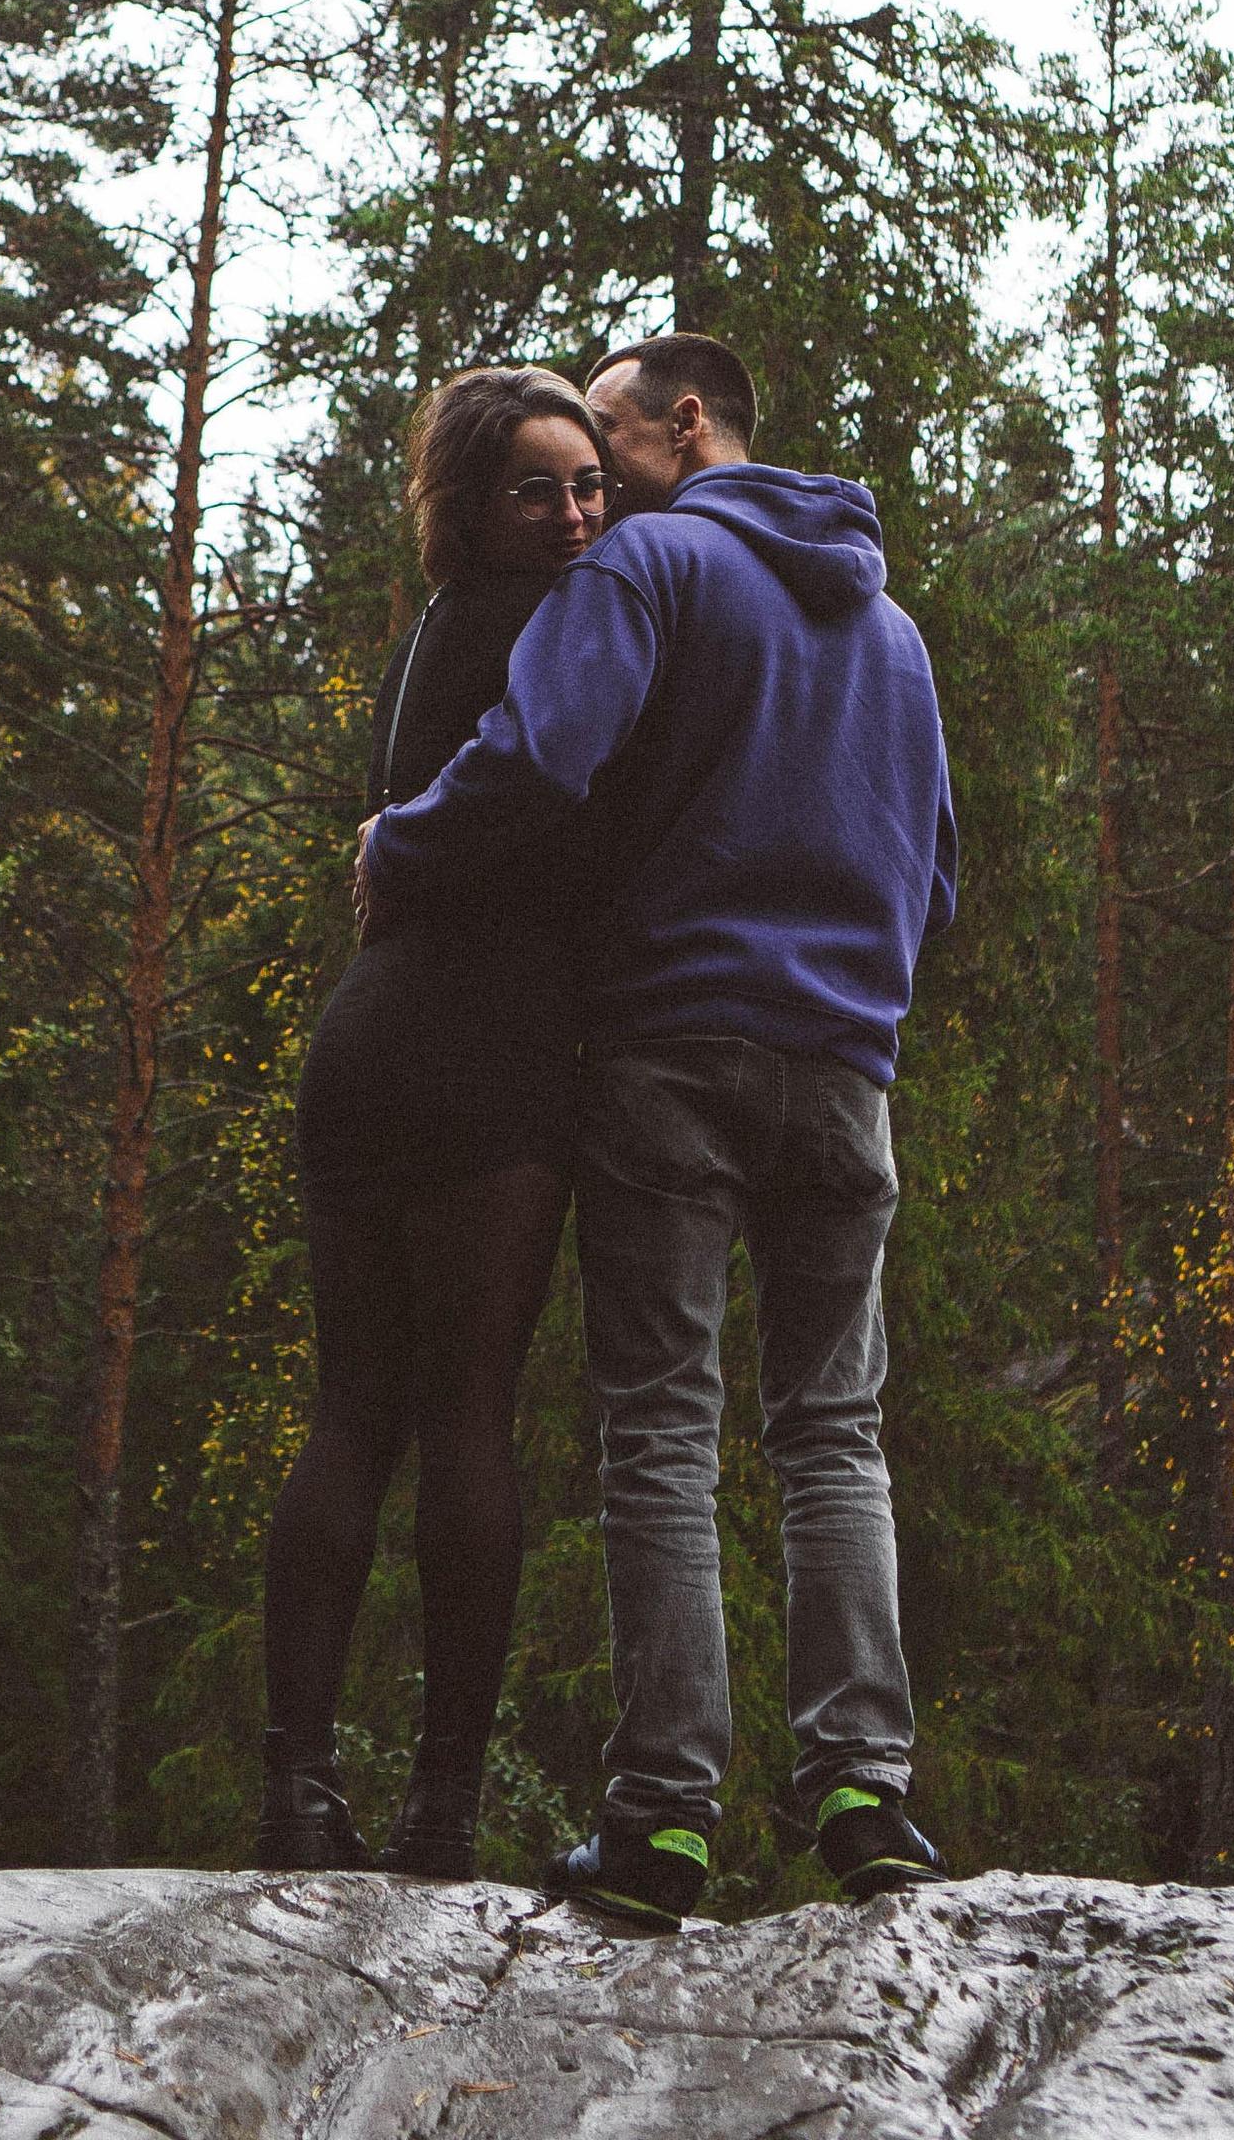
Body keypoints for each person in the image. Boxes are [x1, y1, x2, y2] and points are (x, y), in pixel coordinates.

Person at [356, 332, 956, 1929]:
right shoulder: (892, 628)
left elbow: (540, 754)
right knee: (833, 1428)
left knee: (664, 1430)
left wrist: (398, 846)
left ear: (684, 425)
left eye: (606, 438)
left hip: (675, 1049)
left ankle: (661, 1824)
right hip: (846, 1067)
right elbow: (934, 872)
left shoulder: (652, 571)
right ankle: (862, 1794)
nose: (589, 485)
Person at [257, 364, 612, 1881]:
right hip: (485, 1045)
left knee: (355, 1411)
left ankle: (294, 1791)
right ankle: (441, 1812)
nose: (579, 514)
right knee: (465, 1407)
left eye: (592, 484)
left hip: (367, 1033)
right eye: (540, 489)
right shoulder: (564, 631)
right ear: (472, 508)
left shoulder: (429, 639)